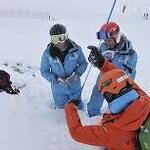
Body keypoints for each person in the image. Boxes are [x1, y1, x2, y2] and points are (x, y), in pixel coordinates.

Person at [64, 46, 150, 150]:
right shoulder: (144, 98)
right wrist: (102, 64)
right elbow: (121, 79)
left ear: (108, 96)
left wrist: (69, 107)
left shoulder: (111, 132)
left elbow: (76, 133)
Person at [87, 21, 138, 117]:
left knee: (117, 108)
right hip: (102, 80)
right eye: (105, 40)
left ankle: (113, 122)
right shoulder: (104, 47)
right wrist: (95, 61)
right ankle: (92, 118)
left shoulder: (130, 54)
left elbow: (129, 75)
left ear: (117, 37)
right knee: (94, 103)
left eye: (109, 40)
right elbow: (101, 63)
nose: (106, 43)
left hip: (118, 86)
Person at [40, 24, 87, 109]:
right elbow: (44, 71)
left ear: (66, 37)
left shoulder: (76, 49)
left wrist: (76, 74)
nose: (58, 42)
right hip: (58, 89)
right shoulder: (48, 53)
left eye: (61, 38)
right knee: (61, 112)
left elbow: (83, 63)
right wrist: (55, 78)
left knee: (77, 110)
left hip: (74, 87)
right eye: (55, 39)